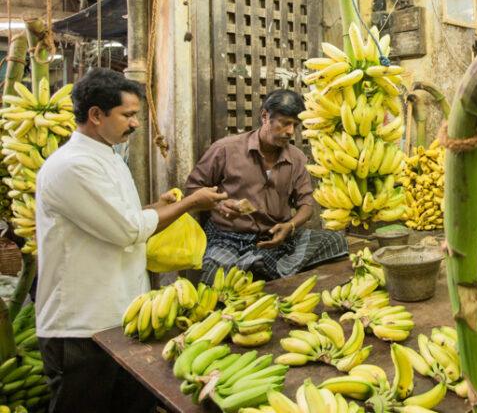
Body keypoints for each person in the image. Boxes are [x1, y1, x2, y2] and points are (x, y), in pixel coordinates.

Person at [35, 68, 227, 413]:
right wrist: (190, 203)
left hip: (118, 317)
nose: (136, 123)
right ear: (96, 115)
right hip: (81, 327)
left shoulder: (108, 155)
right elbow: (127, 229)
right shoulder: (72, 166)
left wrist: (158, 206)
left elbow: (121, 216)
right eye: (128, 114)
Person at [185, 89, 348, 283]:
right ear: (265, 116)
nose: (290, 131)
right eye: (285, 123)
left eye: (295, 125)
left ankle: (257, 265)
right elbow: (193, 189)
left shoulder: (296, 158)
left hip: (276, 238)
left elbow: (306, 204)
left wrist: (290, 225)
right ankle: (264, 267)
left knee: (336, 242)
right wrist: (218, 205)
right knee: (213, 272)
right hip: (229, 237)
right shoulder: (226, 149)